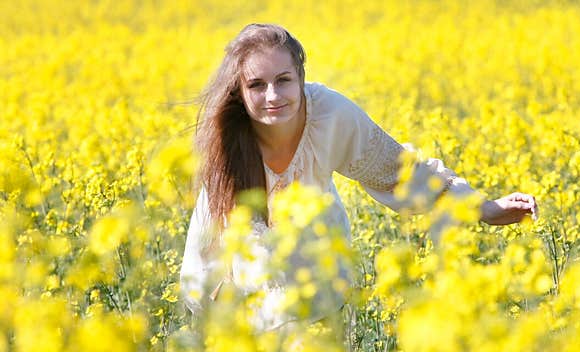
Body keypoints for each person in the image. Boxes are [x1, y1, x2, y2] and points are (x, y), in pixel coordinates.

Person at [180, 23, 538, 334]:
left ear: (301, 79)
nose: (272, 96)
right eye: (257, 85)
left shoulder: (330, 115)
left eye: (283, 80)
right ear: (240, 94)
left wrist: (484, 208)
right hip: (238, 268)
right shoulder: (225, 143)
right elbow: (224, 254)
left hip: (317, 256)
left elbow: (397, 171)